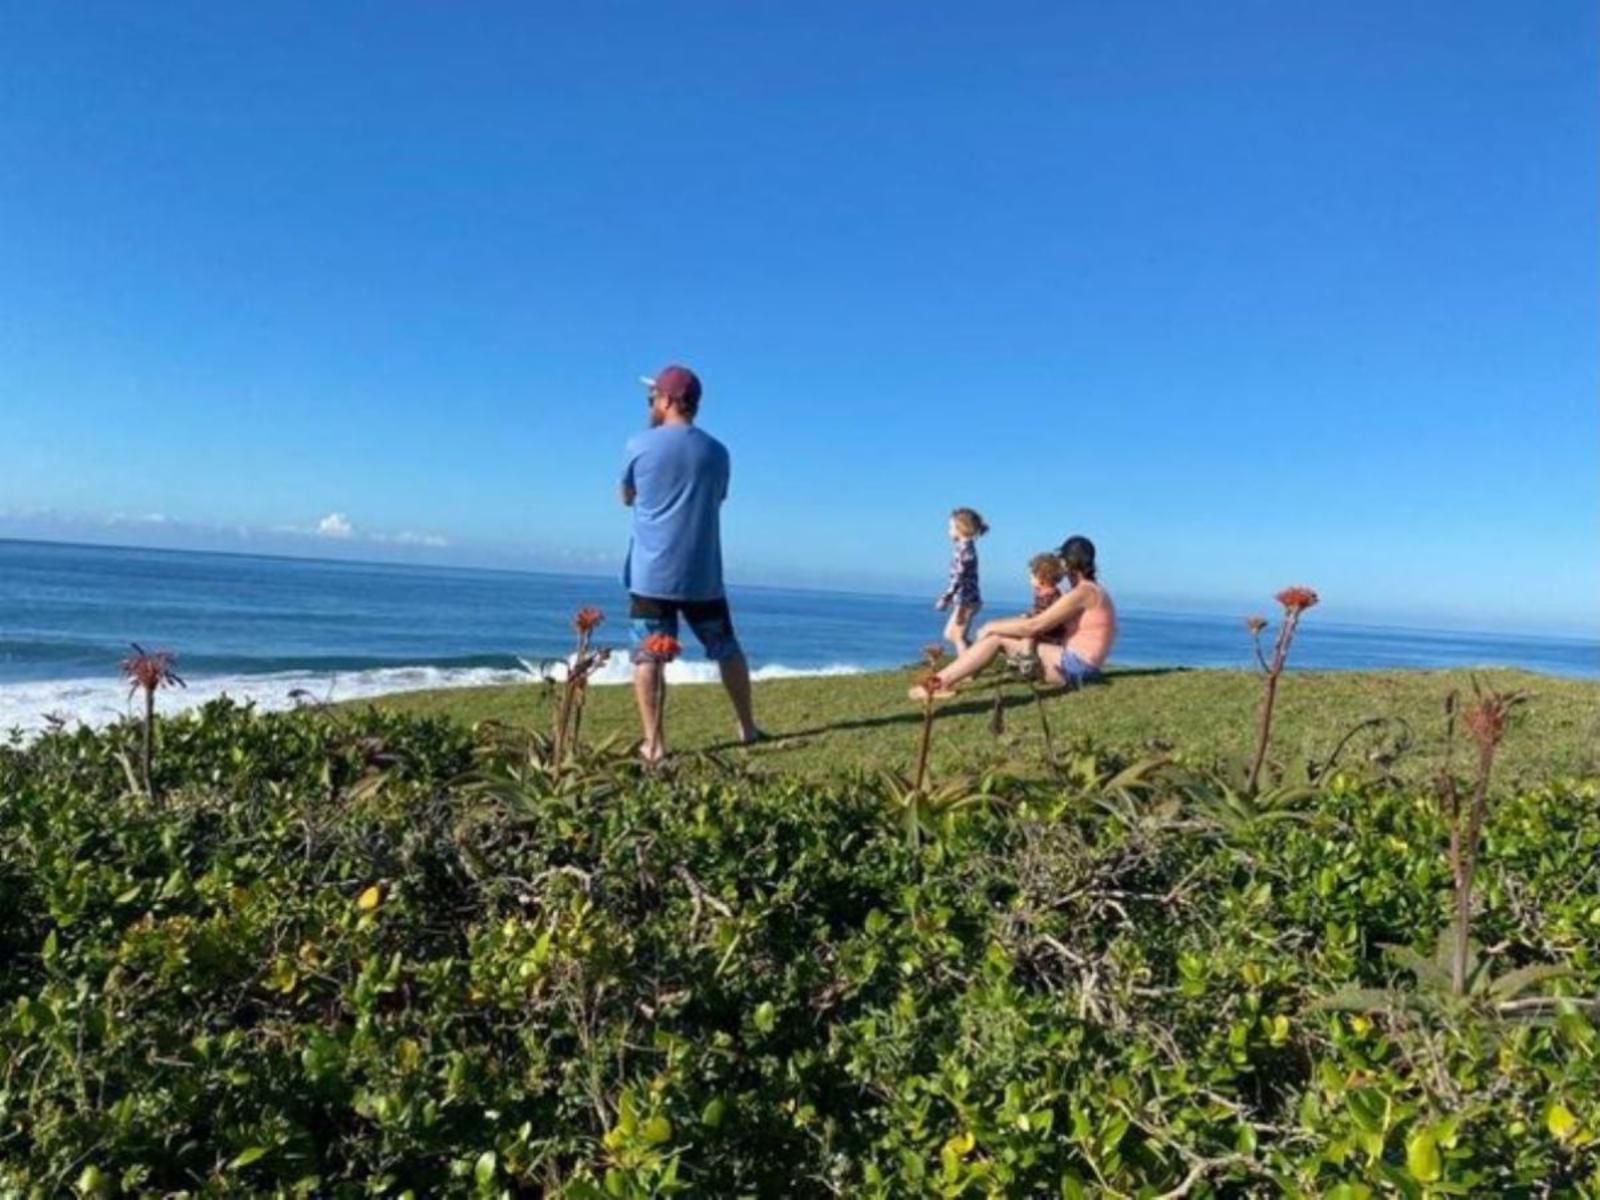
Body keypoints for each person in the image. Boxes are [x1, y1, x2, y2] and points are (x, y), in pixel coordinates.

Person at [622, 364, 761, 762]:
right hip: (702, 574)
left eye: (652, 397)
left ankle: (655, 743)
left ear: (667, 400)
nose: (650, 403)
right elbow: (719, 498)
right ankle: (747, 728)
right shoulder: (718, 452)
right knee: (726, 647)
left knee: (648, 656)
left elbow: (626, 495)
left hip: (651, 573)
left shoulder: (639, 444)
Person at [911, 535, 1116, 700]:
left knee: (996, 638)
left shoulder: (1083, 593)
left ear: (1067, 563)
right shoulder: (1092, 591)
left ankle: (937, 684)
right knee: (998, 636)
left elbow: (1035, 625)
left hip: (1076, 667)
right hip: (1078, 664)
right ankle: (952, 677)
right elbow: (1041, 622)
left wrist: (993, 626)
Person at [935, 507, 989, 654]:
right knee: (950, 634)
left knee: (957, 636)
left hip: (967, 600)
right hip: (966, 599)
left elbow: (959, 577)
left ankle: (968, 669)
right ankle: (978, 656)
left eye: (951, 527)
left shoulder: (964, 550)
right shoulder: (964, 548)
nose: (949, 531)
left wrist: (946, 598)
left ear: (961, 528)